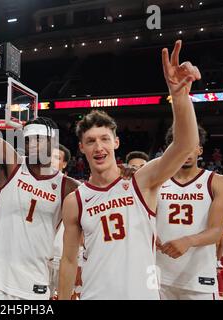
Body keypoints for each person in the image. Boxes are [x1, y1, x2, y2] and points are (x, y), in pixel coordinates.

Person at [59, 40, 202, 300]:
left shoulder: (141, 181)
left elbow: (185, 145)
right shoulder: (75, 201)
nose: (98, 147)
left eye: (104, 139)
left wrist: (179, 97)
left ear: (116, 142)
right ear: (81, 148)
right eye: (91, 141)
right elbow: (69, 260)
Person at [0, 12, 80, 300]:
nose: (31, 145)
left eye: (38, 140)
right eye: (26, 140)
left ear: (52, 144)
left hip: (36, 287)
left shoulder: (68, 186)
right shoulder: (12, 166)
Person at [156, 126, 223, 300]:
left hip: (199, 277)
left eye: (191, 145)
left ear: (200, 149)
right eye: (180, 145)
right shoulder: (156, 182)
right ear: (170, 150)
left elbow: (216, 232)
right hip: (159, 275)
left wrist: (188, 240)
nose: (186, 151)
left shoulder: (218, 182)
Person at [49, 144, 84, 299]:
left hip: (65, 257)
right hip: (44, 258)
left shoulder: (75, 188)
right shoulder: (33, 185)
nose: (51, 160)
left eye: (57, 157)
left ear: (64, 164)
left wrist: (80, 263)